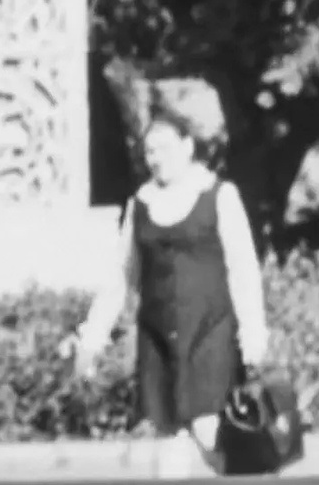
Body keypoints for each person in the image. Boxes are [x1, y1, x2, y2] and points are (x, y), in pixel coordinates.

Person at [66, 81, 273, 479]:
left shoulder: (219, 195)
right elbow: (121, 277)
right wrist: (93, 337)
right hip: (159, 336)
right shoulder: (140, 205)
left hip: (211, 331)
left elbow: (243, 269)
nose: (155, 159)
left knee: (209, 430)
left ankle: (246, 475)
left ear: (188, 147)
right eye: (149, 151)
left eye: (163, 149)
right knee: (170, 435)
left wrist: (253, 335)